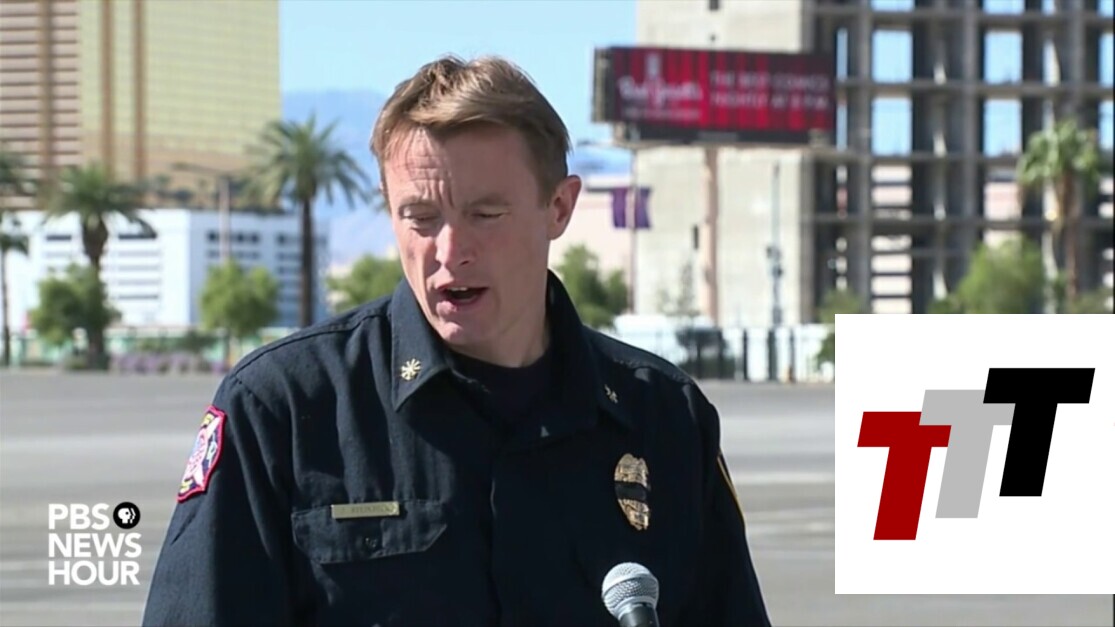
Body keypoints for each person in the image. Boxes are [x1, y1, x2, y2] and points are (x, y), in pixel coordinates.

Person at [142, 54, 771, 627]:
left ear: (559, 208)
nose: (450, 251)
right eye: (419, 217)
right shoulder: (283, 409)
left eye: (485, 214)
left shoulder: (663, 416)